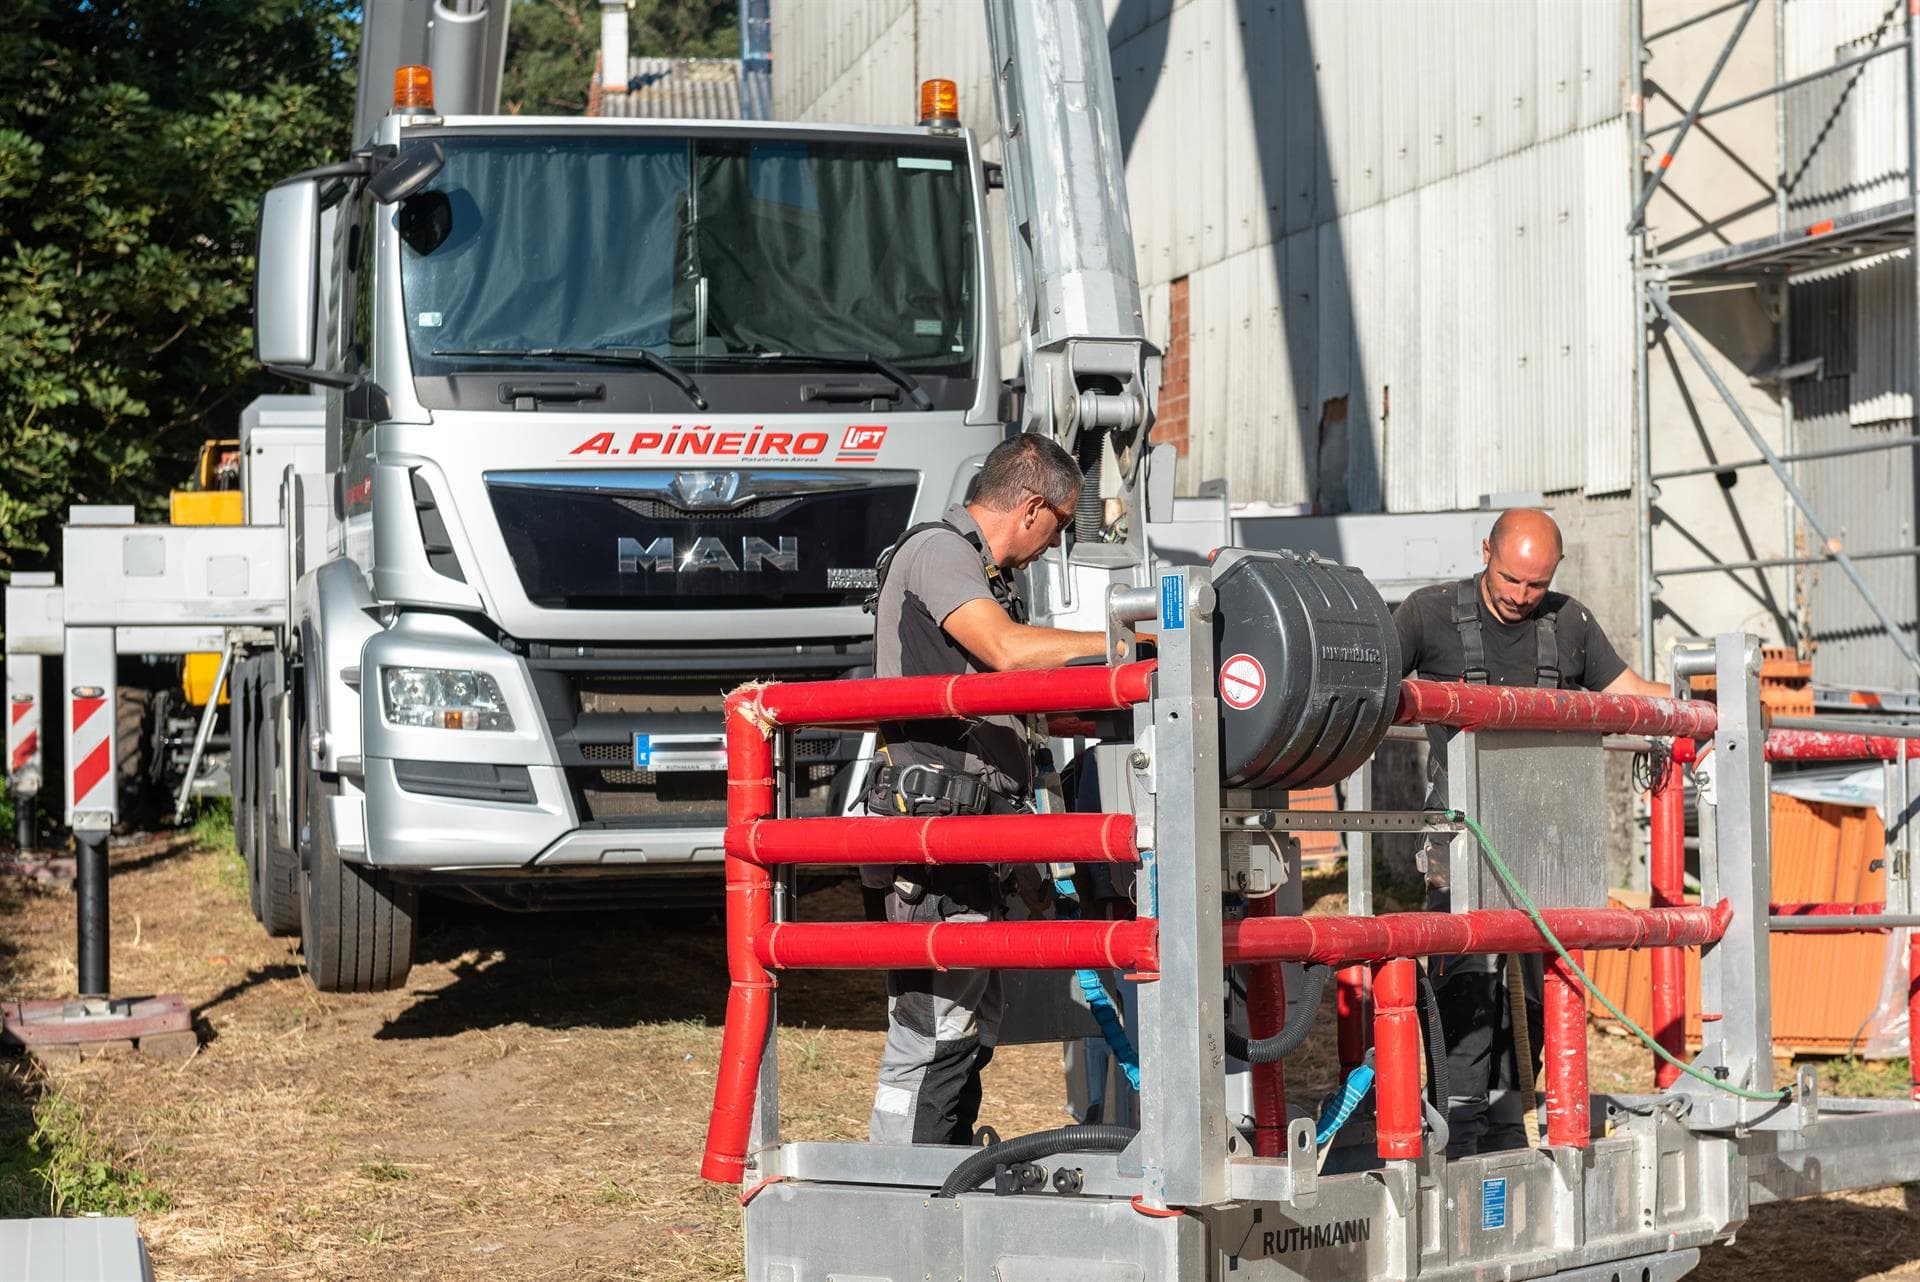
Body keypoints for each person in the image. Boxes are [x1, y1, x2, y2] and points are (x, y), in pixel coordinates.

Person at [1393, 508, 1665, 1156]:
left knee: (1542, 997)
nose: (1519, 596)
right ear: (1485, 550)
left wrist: (1714, 708)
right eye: (1510, 579)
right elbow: (1370, 686)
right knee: (1467, 986)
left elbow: (1632, 695)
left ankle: (1513, 1129)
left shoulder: (1568, 623)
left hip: (1548, 849)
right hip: (1462, 843)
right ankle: (1457, 1136)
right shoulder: (1427, 614)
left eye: (1534, 585)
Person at [864, 433, 1109, 1146]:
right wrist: (1128, 645)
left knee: (970, 1030)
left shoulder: (986, 575)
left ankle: (940, 1188)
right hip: (935, 837)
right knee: (933, 1032)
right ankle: (899, 1204)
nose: (1050, 544)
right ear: (1032, 507)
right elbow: (1005, 650)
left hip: (977, 840)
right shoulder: (939, 553)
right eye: (1059, 526)